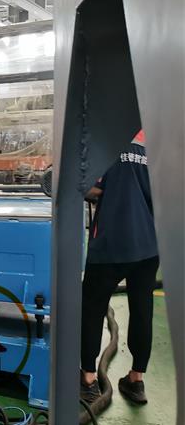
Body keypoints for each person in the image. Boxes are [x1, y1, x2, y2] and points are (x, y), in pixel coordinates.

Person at [80, 131, 158, 405]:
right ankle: (136, 380)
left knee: (92, 309)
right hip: (148, 246)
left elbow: (89, 187)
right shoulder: (154, 144)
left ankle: (88, 379)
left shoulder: (107, 141)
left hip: (110, 244)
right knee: (142, 309)